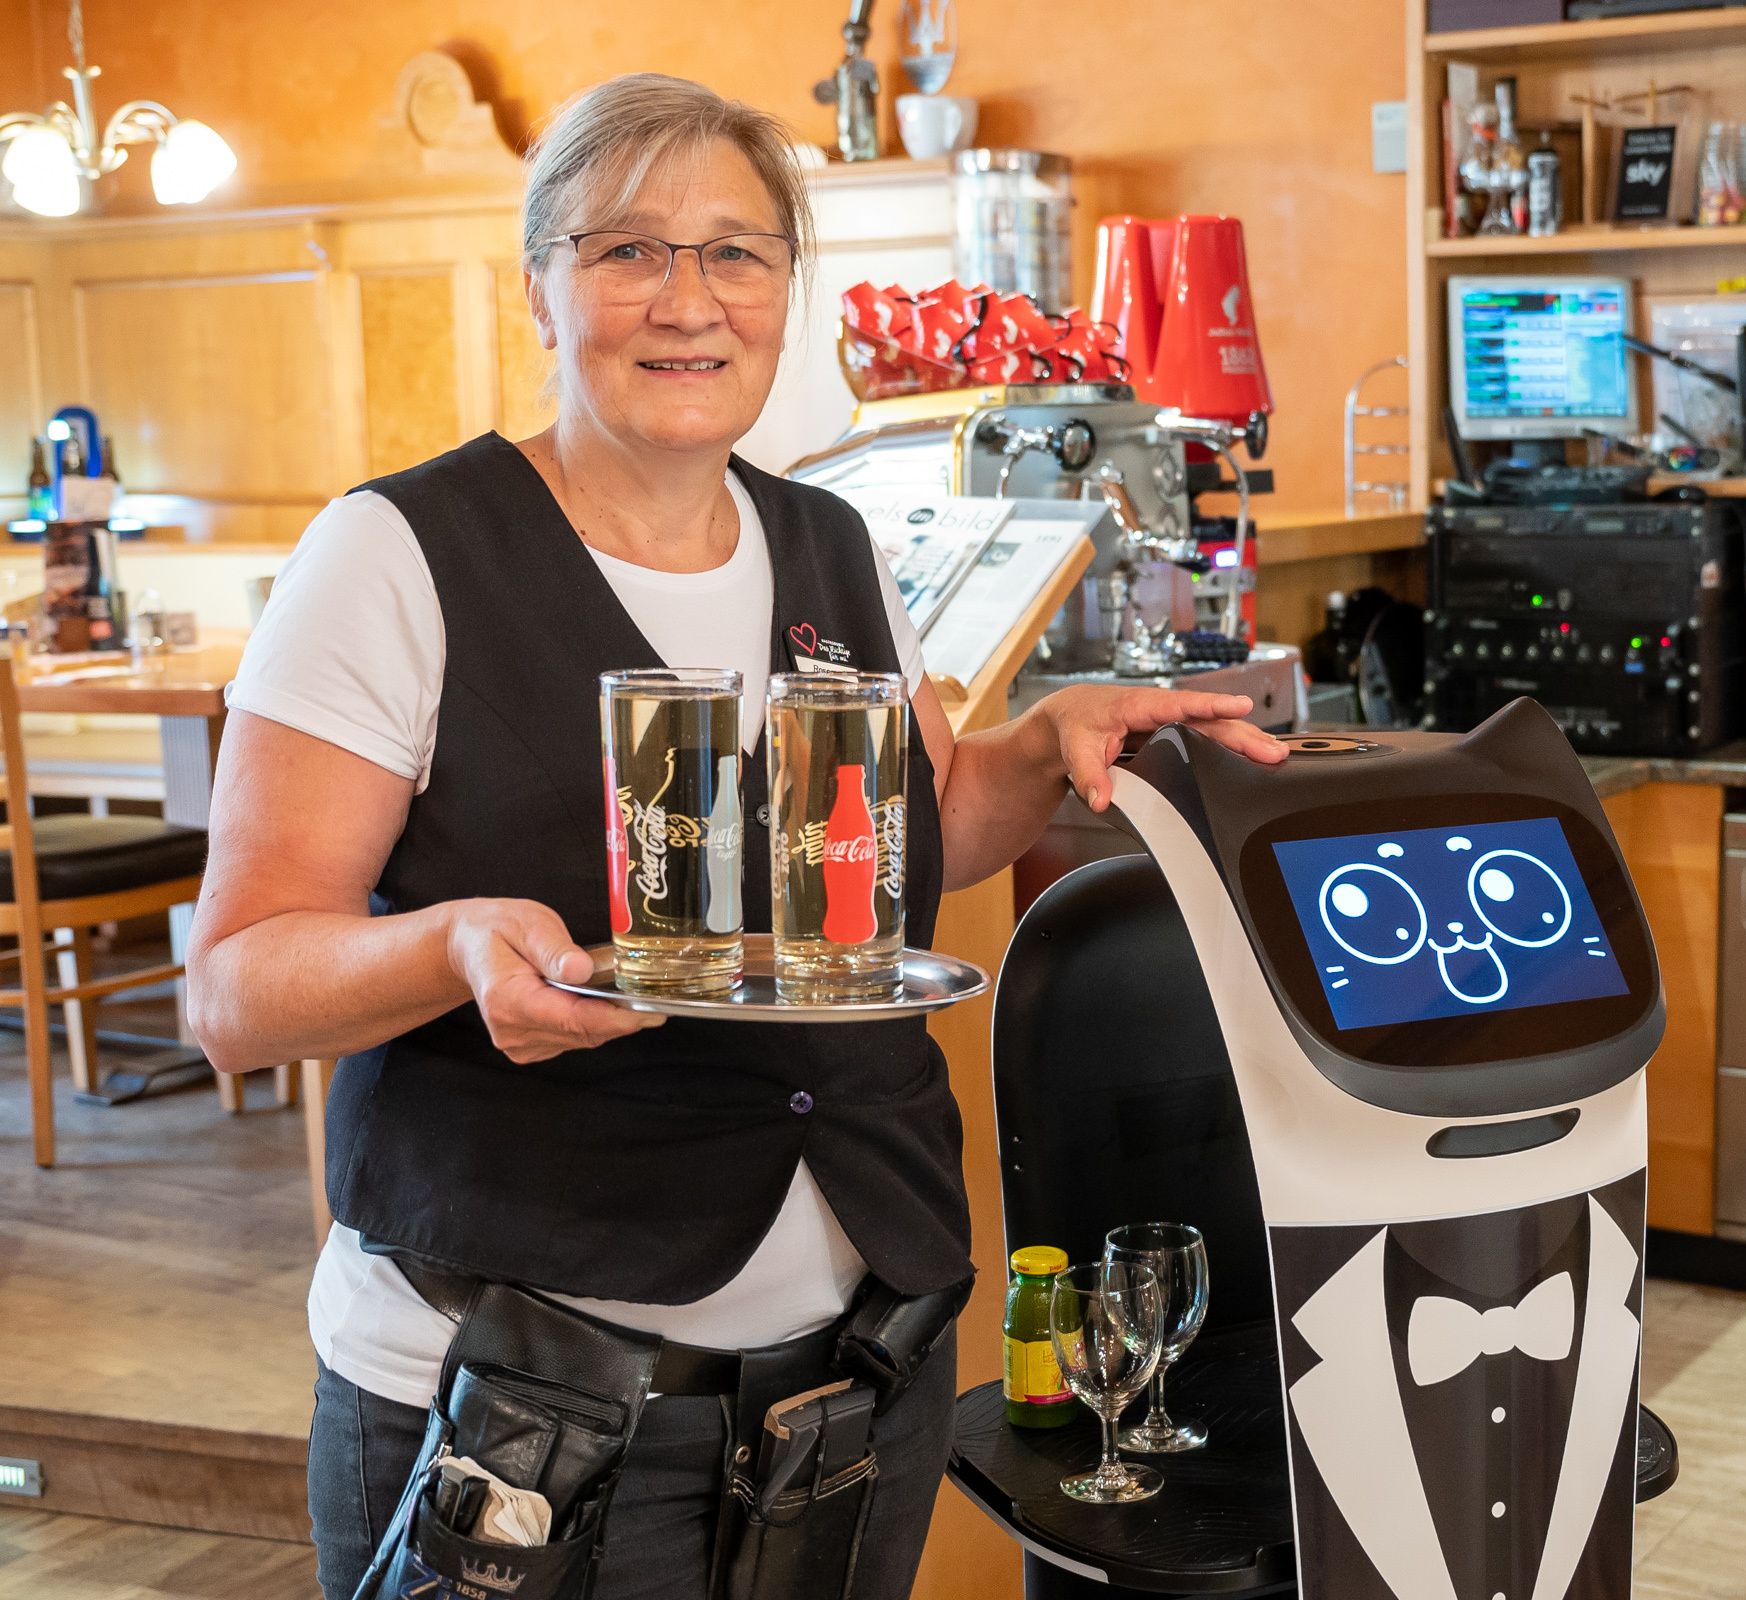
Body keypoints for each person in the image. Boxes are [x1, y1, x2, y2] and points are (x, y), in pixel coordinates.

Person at [183, 73, 1285, 1600]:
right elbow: (234, 990)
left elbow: (900, 847)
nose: (686, 300)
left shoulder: (825, 534)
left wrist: (1038, 753)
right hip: (521, 1418)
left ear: (785, 290)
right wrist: (451, 945)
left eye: (737, 254)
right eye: (627, 249)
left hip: (853, 1383)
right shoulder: (397, 555)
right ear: (541, 286)